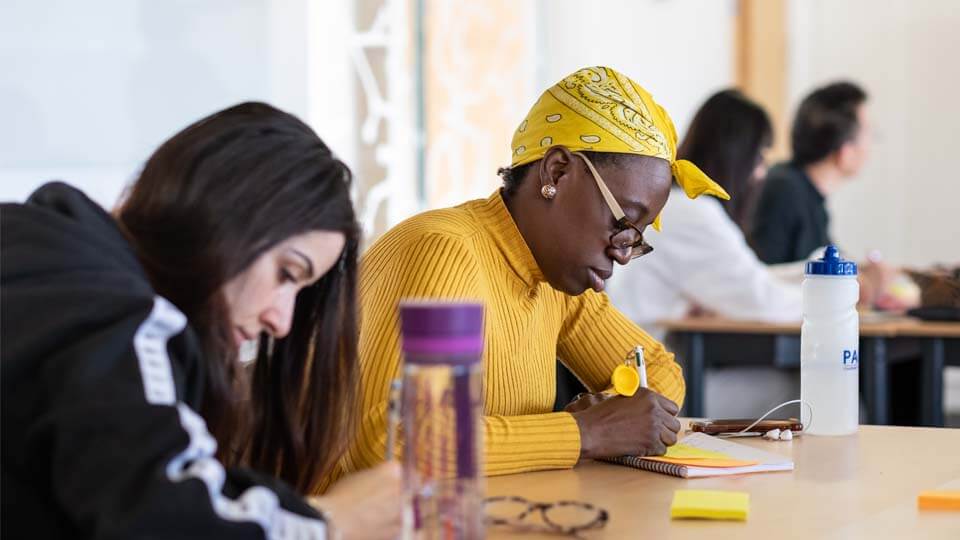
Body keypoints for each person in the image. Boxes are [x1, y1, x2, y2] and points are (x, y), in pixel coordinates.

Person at [1, 103, 401, 539]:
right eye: (286, 274)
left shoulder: (43, 253)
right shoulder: (121, 321)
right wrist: (334, 522)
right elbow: (169, 521)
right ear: (229, 214)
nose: (281, 321)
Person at [330, 66, 730, 484]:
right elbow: (393, 442)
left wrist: (613, 415)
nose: (624, 253)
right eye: (622, 222)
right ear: (557, 171)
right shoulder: (446, 251)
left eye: (636, 238)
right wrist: (587, 432)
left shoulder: (554, 283)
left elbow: (660, 370)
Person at [606, 89, 802, 337]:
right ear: (738, 157)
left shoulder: (673, 204)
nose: (762, 174)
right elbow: (762, 300)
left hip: (645, 349)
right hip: (647, 360)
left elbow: (749, 279)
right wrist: (840, 295)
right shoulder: (693, 213)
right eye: (760, 158)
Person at [750, 81, 870, 265]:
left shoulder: (808, 195)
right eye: (868, 134)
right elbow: (764, 279)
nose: (870, 147)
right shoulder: (784, 191)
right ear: (845, 150)